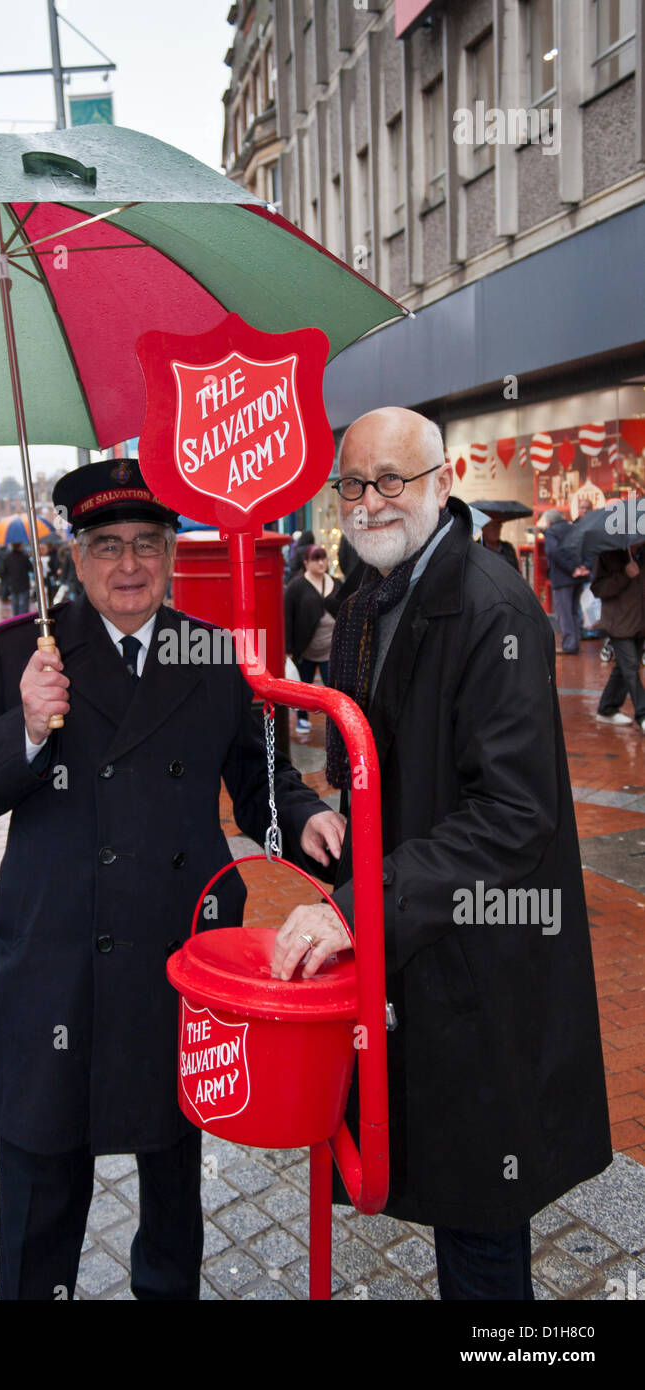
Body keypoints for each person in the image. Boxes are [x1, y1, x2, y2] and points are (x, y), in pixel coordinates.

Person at [0, 458, 344, 1301]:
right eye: (107, 545)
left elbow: (258, 777)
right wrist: (27, 726)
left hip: (177, 958)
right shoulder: (20, 651)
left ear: (170, 554)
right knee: (41, 1185)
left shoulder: (210, 651)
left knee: (173, 1175)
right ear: (77, 560)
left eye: (146, 544)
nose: (128, 565)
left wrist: (303, 818)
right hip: (57, 964)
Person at [271, 407, 611, 1301]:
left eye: (392, 479)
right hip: (421, 937)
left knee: (482, 1216)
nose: (370, 502)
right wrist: (338, 821)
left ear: (442, 482)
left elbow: (513, 813)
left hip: (479, 955)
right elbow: (387, 755)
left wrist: (359, 904)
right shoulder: (373, 591)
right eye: (352, 484)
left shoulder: (491, 607)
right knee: (452, 1189)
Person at [284, 545, 342, 735]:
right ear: (306, 563)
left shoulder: (336, 582)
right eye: (316, 559)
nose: (321, 563)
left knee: (333, 687)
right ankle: (302, 719)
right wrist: (288, 647)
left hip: (331, 647)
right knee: (304, 686)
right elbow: (287, 617)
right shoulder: (296, 586)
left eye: (323, 558)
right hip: (305, 647)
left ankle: (335, 722)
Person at [590, 544, 645, 730]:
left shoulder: (642, 553)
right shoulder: (608, 554)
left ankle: (607, 709)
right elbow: (599, 589)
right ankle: (643, 714)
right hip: (618, 622)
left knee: (623, 667)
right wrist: (625, 575)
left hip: (639, 621)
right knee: (630, 667)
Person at [540, 508, 589, 654]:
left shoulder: (551, 532)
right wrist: (580, 567)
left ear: (549, 521)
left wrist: (571, 568)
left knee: (564, 612)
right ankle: (575, 641)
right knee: (574, 611)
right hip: (578, 577)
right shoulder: (573, 528)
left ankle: (569, 644)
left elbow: (552, 551)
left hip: (562, 578)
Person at [5, 541, 32, 617]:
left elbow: (4, 570)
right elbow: (30, 568)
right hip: (24, 583)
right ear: (20, 546)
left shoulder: (8, 557)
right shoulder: (24, 557)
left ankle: (16, 619)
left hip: (13, 583)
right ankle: (24, 619)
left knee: (15, 604)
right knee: (24, 604)